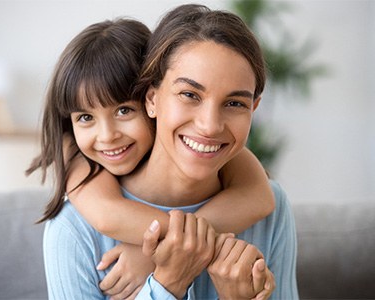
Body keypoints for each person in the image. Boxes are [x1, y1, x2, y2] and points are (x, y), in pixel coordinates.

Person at [27, 16, 276, 299]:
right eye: (189, 94)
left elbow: (262, 196)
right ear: (153, 99)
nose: (107, 136)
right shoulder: (74, 223)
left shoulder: (263, 198)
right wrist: (166, 279)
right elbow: (106, 217)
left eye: (123, 111)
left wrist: (161, 247)